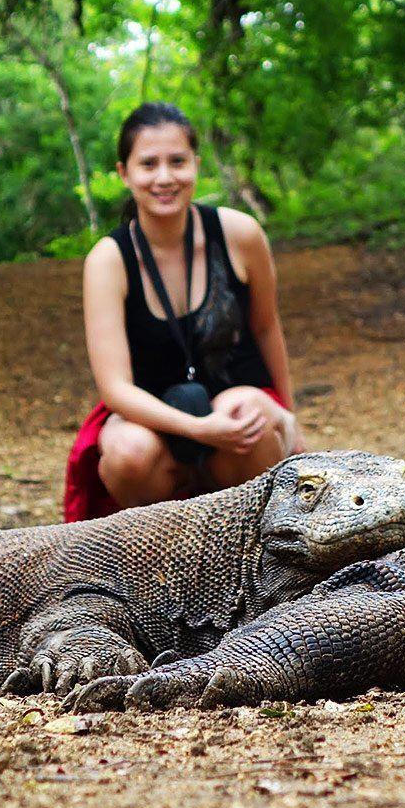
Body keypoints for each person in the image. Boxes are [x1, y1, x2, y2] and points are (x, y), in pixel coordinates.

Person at [62, 102, 304, 522]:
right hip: (151, 420)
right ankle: (161, 546)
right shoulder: (108, 260)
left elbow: (266, 328)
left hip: (237, 420)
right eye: (148, 164)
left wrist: (290, 417)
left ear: (195, 163)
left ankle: (251, 538)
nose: (164, 178)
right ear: (124, 173)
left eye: (177, 162)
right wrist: (196, 428)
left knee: (249, 410)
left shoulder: (239, 234)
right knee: (125, 451)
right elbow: (115, 388)